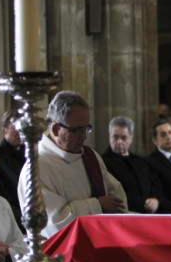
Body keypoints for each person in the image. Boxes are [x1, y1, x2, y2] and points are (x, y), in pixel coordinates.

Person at [18, 91, 127, 238]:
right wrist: (97, 206)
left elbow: (116, 197)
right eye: (76, 130)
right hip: (57, 255)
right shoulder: (36, 168)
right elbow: (53, 223)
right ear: (56, 129)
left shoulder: (90, 156)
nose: (84, 136)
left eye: (86, 128)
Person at [102, 117, 171, 214]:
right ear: (109, 136)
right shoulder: (102, 162)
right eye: (115, 137)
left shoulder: (141, 162)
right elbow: (113, 192)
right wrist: (142, 203)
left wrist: (156, 200)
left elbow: (155, 185)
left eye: (123, 137)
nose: (119, 141)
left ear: (131, 138)